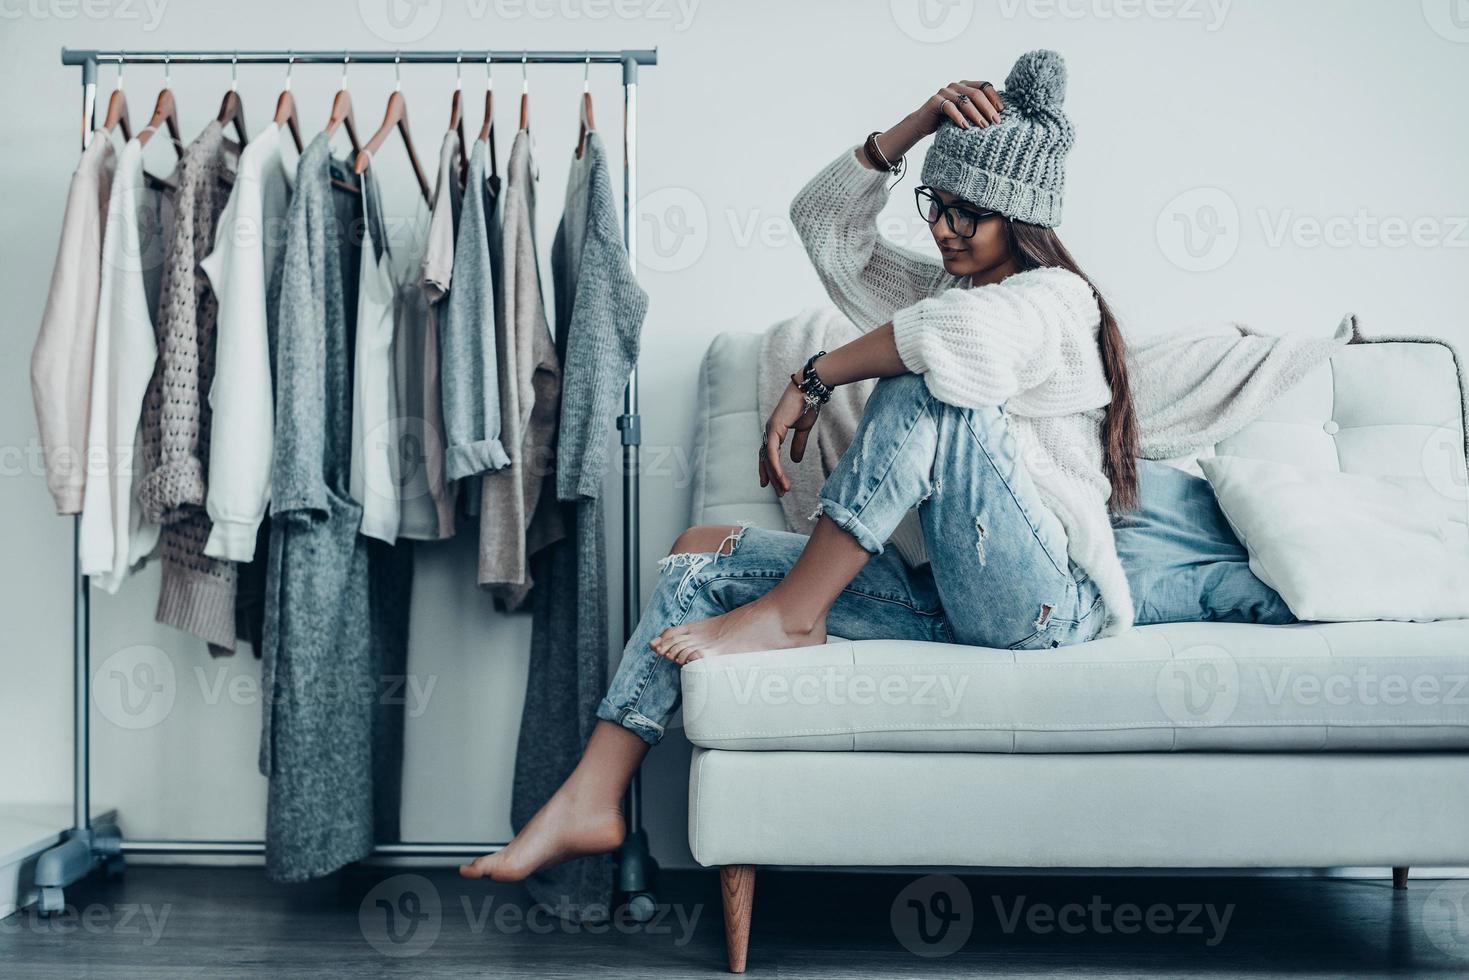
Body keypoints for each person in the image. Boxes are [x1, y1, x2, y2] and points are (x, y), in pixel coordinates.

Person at [461, 48, 1138, 883]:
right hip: (946, 596)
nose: (944, 228)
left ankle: (791, 612)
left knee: (930, 379)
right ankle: (591, 797)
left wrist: (812, 377)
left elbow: (950, 346)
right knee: (699, 553)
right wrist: (920, 122)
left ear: (1021, 216)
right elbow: (824, 226)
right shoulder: (947, 291)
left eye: (972, 213)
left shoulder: (1054, 302)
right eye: (937, 204)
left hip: (1040, 604)